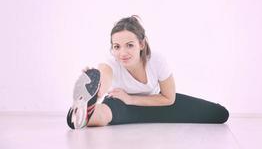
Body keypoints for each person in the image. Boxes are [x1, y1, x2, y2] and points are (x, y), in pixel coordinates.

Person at [67, 15, 229, 129]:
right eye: (117, 47)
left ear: (141, 44)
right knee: (102, 116)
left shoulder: (157, 60)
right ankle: (83, 111)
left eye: (129, 45)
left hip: (157, 103)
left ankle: (87, 109)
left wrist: (131, 98)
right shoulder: (110, 63)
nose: (122, 53)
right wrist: (97, 88)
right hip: (121, 105)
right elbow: (105, 75)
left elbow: (169, 98)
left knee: (220, 114)